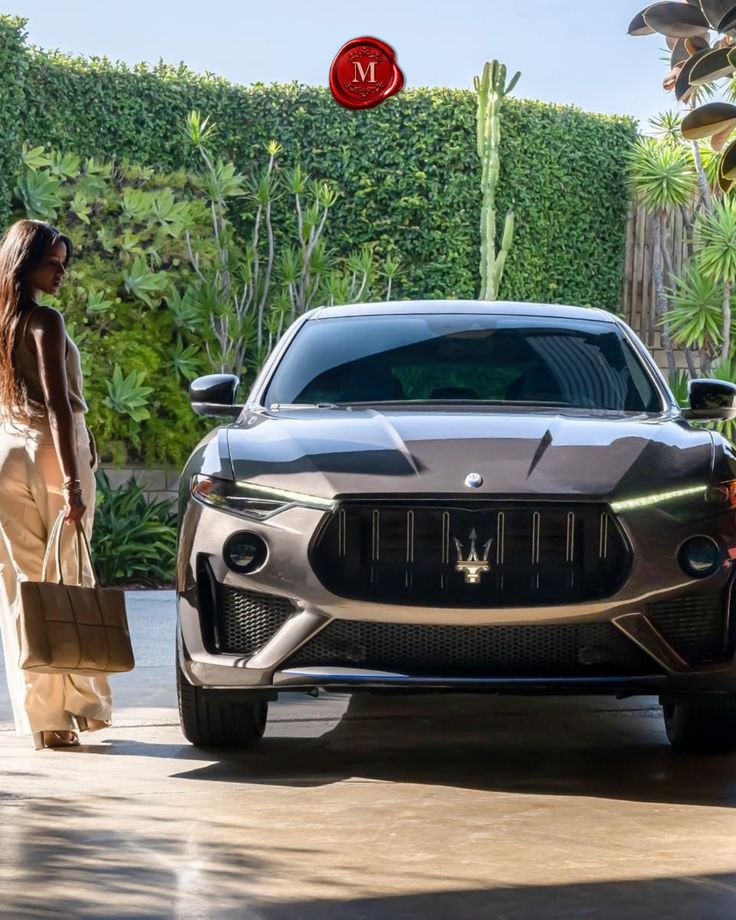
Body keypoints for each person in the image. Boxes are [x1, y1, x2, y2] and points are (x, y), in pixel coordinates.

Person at [0, 219, 112, 750]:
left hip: (5, 453)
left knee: (24, 586)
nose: (62, 272)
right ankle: (84, 706)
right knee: (70, 578)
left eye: (64, 263)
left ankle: (46, 720)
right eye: (54, 263)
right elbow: (61, 403)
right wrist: (72, 479)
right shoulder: (46, 321)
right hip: (50, 450)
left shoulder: (1, 321)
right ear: (28, 265)